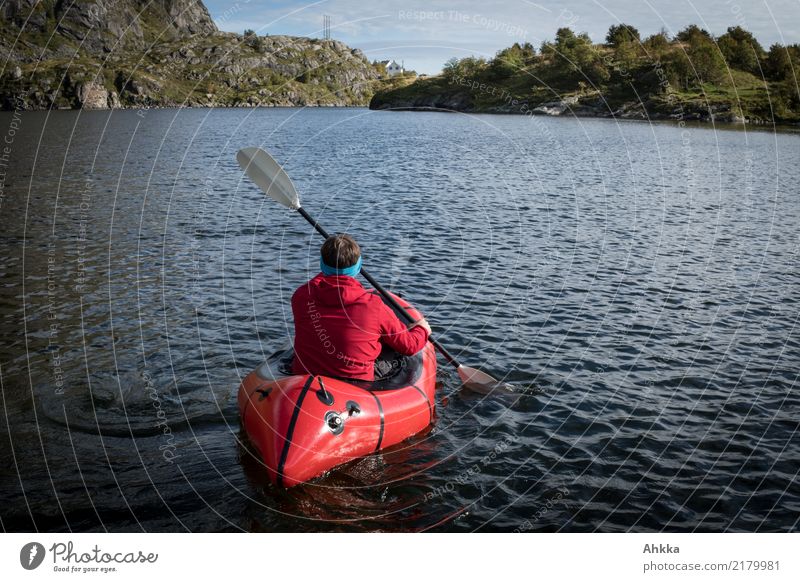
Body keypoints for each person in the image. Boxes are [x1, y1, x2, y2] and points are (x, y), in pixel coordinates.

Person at [291, 233, 431, 381]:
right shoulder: (374, 306)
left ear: (322, 265)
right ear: (358, 266)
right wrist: (422, 329)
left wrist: (331, 268)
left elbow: (317, 282)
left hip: (305, 377)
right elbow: (409, 346)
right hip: (355, 385)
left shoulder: (301, 296)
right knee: (394, 353)